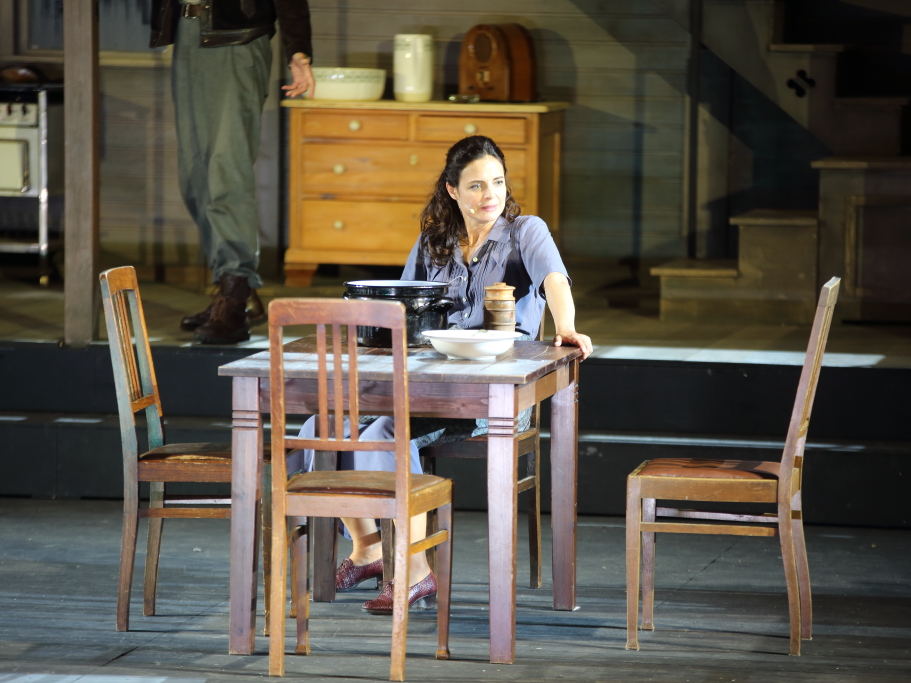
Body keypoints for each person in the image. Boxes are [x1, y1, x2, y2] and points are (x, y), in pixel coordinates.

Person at [288, 135, 592, 614]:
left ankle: (415, 570)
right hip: (426, 384)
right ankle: (368, 546)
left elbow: (554, 279)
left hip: (493, 395)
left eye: (497, 182)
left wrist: (567, 325)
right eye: (476, 185)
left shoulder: (524, 231)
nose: (490, 194)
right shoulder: (436, 241)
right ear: (452, 190)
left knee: (386, 431)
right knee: (318, 427)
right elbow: (401, 306)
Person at [149, 0, 315, 344]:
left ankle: (236, 293)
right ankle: (234, 288)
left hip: (237, 36)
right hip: (187, 31)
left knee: (227, 169)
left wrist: (298, 48)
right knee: (195, 177)